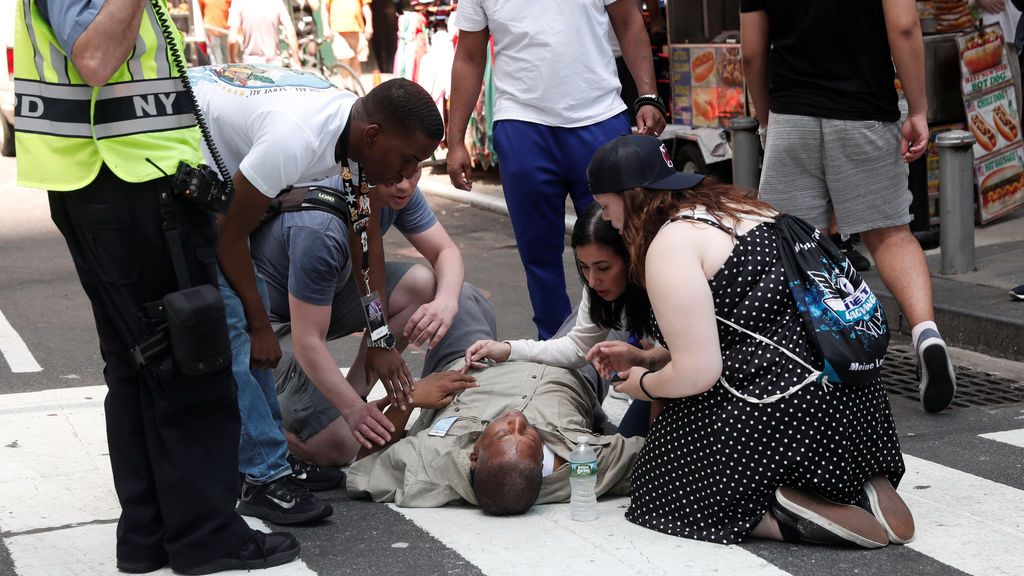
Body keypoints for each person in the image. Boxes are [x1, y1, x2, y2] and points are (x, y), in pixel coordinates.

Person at [13, 2, 298, 573]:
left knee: (139, 365)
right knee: (189, 361)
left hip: (114, 179)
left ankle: (150, 535)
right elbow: (95, 57)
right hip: (129, 180)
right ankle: (205, 537)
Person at [586, 134, 914, 549]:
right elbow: (750, 330)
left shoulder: (671, 243)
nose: (607, 217)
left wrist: (642, 383)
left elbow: (700, 373)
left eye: (606, 204)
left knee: (659, 481)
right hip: (855, 405)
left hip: (786, 415)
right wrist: (650, 357)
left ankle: (784, 516)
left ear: (632, 197)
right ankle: (861, 481)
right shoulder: (750, 209)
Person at [190, 65, 442, 522]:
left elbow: (367, 241)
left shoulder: (352, 144)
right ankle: (262, 477)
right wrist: (260, 323)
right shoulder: (296, 144)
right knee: (239, 334)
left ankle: (272, 460)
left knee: (254, 345)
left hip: (228, 181)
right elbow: (230, 237)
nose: (408, 174)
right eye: (406, 159)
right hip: (183, 155)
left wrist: (382, 337)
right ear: (373, 135)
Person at [740, 0, 957, 413]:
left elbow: (751, 49)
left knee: (794, 244)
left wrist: (767, 119)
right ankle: (925, 334)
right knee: (891, 233)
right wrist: (919, 110)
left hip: (793, 112)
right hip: (865, 111)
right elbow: (905, 26)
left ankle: (804, 360)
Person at [446, 0, 667, 339]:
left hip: (600, 117)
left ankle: (632, 348)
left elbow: (629, 21)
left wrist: (648, 95)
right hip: (522, 126)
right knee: (539, 257)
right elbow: (469, 55)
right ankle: (557, 359)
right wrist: (456, 138)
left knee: (622, 245)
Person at [346, 285, 645, 514]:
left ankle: (471, 300)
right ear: (543, 461)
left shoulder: (433, 468)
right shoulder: (583, 466)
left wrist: (410, 399)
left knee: (457, 292)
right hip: (570, 370)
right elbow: (652, 456)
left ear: (474, 458)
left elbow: (364, 468)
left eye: (505, 431)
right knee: (614, 294)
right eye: (530, 434)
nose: (517, 419)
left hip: (468, 362)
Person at [253, 165, 463, 466]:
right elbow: (307, 339)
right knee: (339, 447)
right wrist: (362, 410)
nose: (404, 185)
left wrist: (446, 301)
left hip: (319, 305)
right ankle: (245, 427)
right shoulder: (321, 224)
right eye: (396, 173)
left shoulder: (389, 191)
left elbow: (446, 252)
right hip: (271, 331)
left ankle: (353, 395)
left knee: (421, 285)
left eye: (414, 171)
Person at [464, 202, 665, 437]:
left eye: (602, 267)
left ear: (630, 257)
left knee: (648, 455)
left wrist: (647, 373)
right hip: (663, 380)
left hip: (700, 383)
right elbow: (577, 347)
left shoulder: (663, 280)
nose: (592, 281)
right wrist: (508, 349)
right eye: (584, 268)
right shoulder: (598, 288)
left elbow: (692, 364)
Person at [227, 0, 301, 66]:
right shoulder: (277, 2)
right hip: (274, 65)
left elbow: (232, 39)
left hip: (251, 65)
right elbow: (291, 33)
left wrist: (232, 61)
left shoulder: (238, 2)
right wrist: (296, 61)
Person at [322, 0, 373, 75]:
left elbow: (365, 6)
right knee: (345, 59)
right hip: (338, 29)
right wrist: (325, 27)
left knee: (357, 60)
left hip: (357, 28)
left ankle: (357, 86)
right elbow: (325, 7)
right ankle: (346, 85)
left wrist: (369, 25)